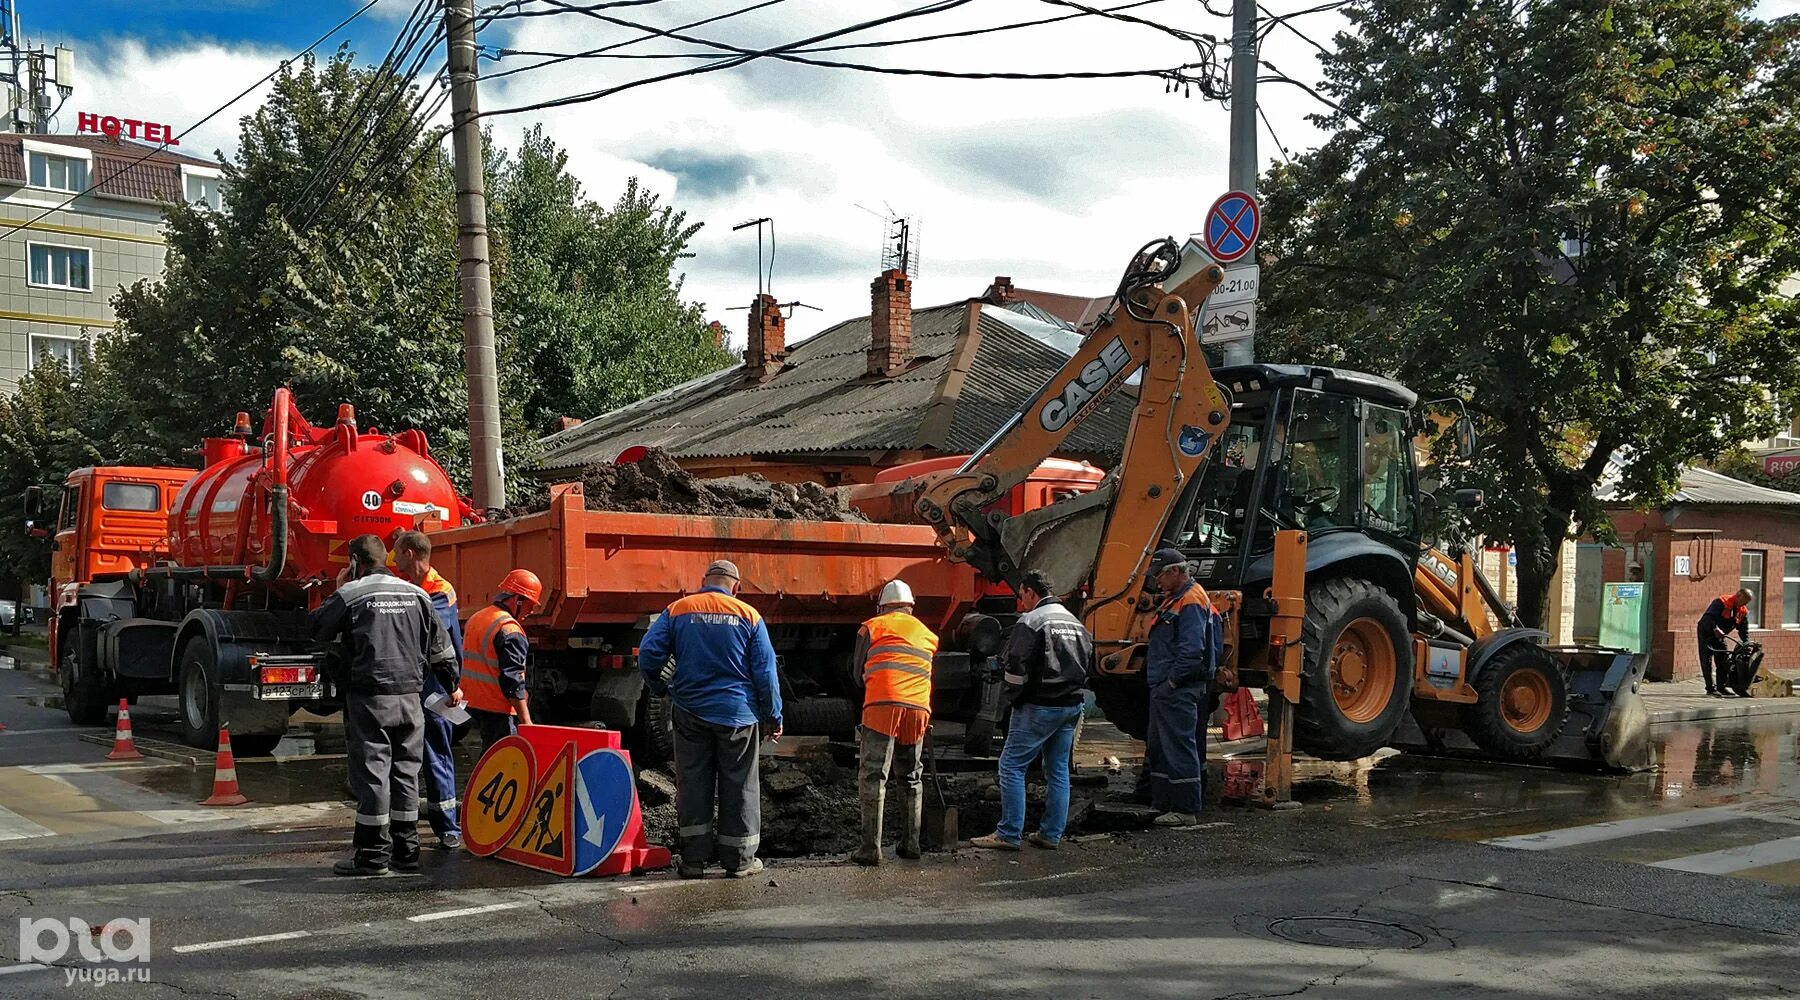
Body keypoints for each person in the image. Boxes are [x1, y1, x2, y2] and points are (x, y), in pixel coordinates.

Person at [311, 534, 458, 876]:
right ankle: (406, 853)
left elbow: (316, 627)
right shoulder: (419, 594)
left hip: (370, 699)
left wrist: (338, 588)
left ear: (354, 563)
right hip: (411, 699)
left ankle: (373, 857)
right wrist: (451, 685)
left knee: (373, 775)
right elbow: (443, 652)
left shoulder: (351, 593)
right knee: (406, 773)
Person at [637, 559, 782, 880]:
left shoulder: (678, 609)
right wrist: (773, 716)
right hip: (737, 716)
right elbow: (765, 672)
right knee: (740, 785)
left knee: (692, 783)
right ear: (737, 587)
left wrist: (661, 686)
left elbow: (647, 654)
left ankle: (693, 861)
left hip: (690, 713)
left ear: (704, 582)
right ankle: (740, 860)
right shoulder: (749, 615)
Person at [973, 570, 1092, 852]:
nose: (1020, 603)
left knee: (1011, 766)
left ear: (1029, 591)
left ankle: (1009, 833)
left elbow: (1016, 664)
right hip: (1071, 705)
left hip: (1038, 706)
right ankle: (1051, 834)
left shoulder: (1032, 621)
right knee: (1058, 770)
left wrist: (1012, 696)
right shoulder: (1075, 622)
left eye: (1021, 596)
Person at [849, 579, 938, 866]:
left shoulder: (873, 626)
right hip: (918, 709)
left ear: (882, 606)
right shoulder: (927, 633)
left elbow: (856, 671)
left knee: (874, 775)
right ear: (910, 607)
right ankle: (911, 844)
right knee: (911, 775)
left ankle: (869, 848)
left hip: (882, 705)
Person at [391, 530, 466, 850]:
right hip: (415, 684)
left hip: (435, 686)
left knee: (436, 754)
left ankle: (447, 826)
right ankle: (406, 821)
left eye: (396, 553)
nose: (394, 561)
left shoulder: (439, 590)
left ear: (410, 553)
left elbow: (427, 629)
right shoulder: (415, 587)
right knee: (404, 756)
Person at [1141, 547, 1219, 828]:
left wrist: (1172, 682)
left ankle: (1185, 809)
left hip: (1177, 687)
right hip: (1166, 686)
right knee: (1161, 746)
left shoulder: (1190, 601)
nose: (1156, 582)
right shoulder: (1175, 599)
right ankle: (1162, 802)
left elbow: (1192, 651)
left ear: (1175, 571)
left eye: (1160, 576)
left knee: (1178, 745)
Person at [462, 569, 542, 749]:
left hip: (473, 703)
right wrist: (526, 721)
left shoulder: (477, 617)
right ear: (517, 600)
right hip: (497, 709)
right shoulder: (509, 629)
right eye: (530, 605)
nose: (530, 611)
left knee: (489, 762)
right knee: (503, 763)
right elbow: (513, 681)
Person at [1698, 588, 1753, 698]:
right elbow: (1708, 618)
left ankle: (1721, 687)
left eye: (1748, 602)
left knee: (1723, 659)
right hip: (1706, 631)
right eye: (1744, 600)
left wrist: (1746, 642)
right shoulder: (1721, 602)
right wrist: (1715, 628)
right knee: (1706, 659)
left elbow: (1743, 629)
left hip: (1721, 636)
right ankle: (1710, 688)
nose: (1745, 604)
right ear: (1738, 596)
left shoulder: (1742, 611)